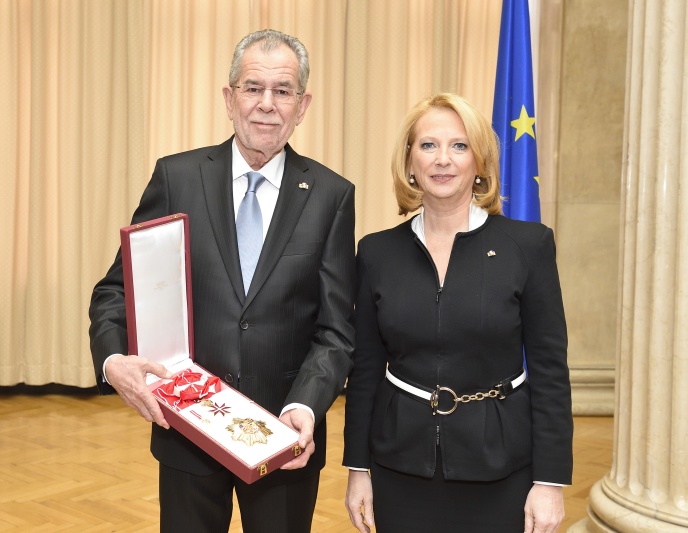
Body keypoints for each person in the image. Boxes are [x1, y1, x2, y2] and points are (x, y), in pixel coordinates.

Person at [88, 29, 356, 533]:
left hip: (282, 439)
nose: (267, 105)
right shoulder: (178, 178)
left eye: (283, 91)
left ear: (303, 105)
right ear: (229, 98)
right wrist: (112, 360)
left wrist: (305, 405)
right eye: (253, 88)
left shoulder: (331, 195)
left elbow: (336, 329)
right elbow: (116, 291)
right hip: (186, 433)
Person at [343, 93, 572, 533]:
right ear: (409, 163)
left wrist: (550, 481)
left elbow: (549, 371)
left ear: (480, 163)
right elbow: (365, 370)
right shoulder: (376, 252)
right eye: (428, 145)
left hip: (501, 467)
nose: (442, 160)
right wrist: (358, 470)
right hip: (399, 466)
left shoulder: (528, 247)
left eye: (459, 146)